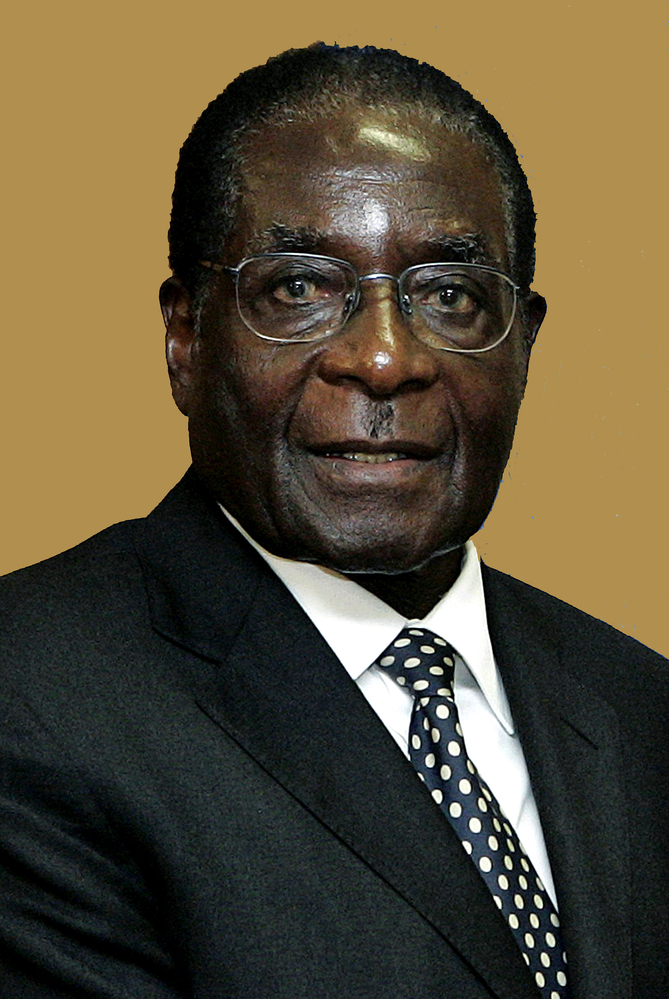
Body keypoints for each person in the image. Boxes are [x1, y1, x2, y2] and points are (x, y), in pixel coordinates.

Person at [1, 42, 668, 999]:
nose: (385, 359)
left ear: (522, 346)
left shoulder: (640, 706)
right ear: (186, 336)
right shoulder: (32, 698)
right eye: (299, 289)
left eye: (449, 294)